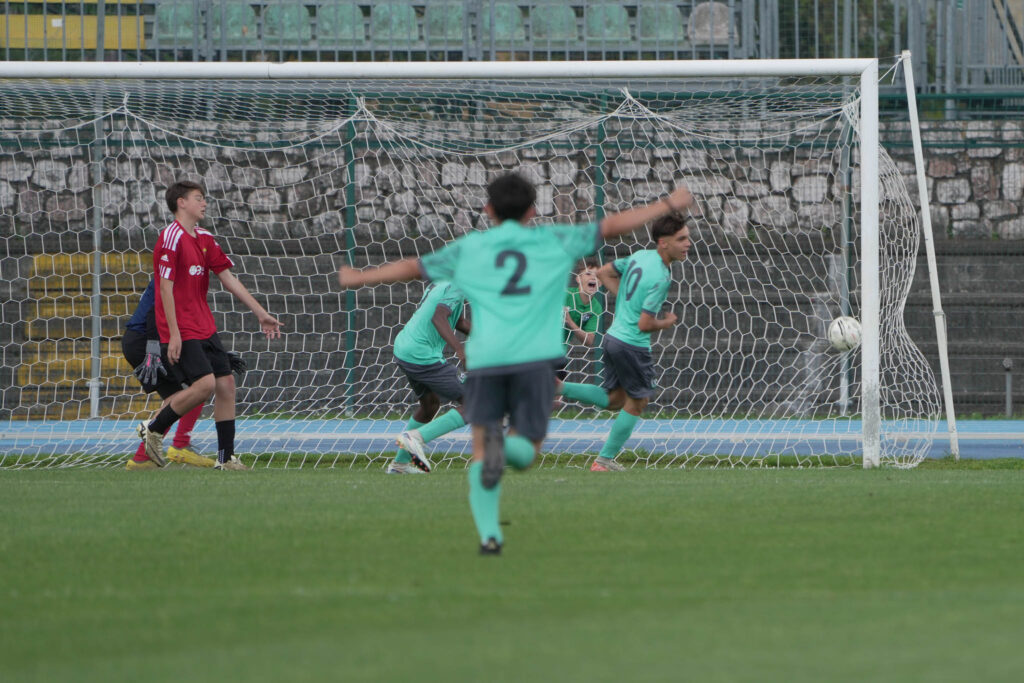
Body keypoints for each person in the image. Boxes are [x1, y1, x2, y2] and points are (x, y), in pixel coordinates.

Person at [338, 172, 694, 554]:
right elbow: (611, 226)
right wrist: (668, 203)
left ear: (488, 209)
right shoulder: (553, 239)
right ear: (533, 211)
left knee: (482, 451)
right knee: (524, 454)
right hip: (534, 362)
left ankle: (489, 534)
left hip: (485, 362)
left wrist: (360, 277)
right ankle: (502, 464)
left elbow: (412, 267)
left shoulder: (472, 247)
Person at [136, 180, 282, 471]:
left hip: (204, 325)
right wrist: (173, 334)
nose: (204, 203)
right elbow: (165, 288)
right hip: (182, 328)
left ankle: (225, 458)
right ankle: (154, 428)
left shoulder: (204, 237)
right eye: (198, 198)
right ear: (181, 202)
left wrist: (261, 313)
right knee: (204, 386)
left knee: (226, 385)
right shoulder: (170, 237)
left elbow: (228, 279)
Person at [557, 214, 692, 472]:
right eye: (681, 239)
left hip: (613, 338)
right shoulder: (661, 278)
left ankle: (556, 387)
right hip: (632, 344)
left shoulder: (641, 256)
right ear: (663, 243)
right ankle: (604, 460)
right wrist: (665, 322)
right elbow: (644, 324)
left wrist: (627, 301)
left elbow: (604, 272)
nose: (688, 243)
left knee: (615, 400)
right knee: (638, 401)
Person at [388, 280, 471, 474]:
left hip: (405, 349)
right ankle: (414, 438)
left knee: (430, 405)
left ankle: (399, 466)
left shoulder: (440, 282)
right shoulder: (457, 286)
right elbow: (438, 317)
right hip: (421, 355)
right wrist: (460, 350)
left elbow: (458, 321)